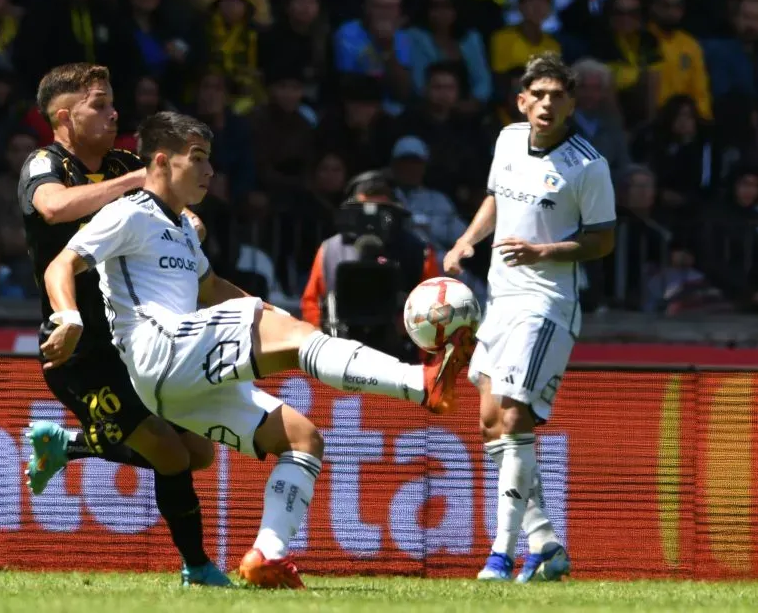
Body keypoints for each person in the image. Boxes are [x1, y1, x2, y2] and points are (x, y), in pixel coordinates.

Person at [40, 111, 475, 589]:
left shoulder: (183, 229)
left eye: (211, 161)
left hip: (176, 385)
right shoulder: (127, 212)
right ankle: (422, 383)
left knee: (303, 439)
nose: (210, 172)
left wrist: (260, 307)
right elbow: (62, 265)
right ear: (161, 162)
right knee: (296, 338)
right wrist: (69, 317)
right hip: (162, 350)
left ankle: (265, 556)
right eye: (198, 159)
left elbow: (209, 286)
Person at [17, 63, 228, 587]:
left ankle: (65, 447)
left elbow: (177, 207)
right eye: (99, 105)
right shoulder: (45, 163)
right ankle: (197, 568)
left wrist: (187, 219)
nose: (114, 114)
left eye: (113, 103)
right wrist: (138, 182)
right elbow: (54, 208)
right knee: (168, 453)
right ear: (65, 117)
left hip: (139, 340)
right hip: (79, 349)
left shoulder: (123, 160)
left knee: (199, 453)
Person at [444, 52, 616, 582]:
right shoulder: (508, 140)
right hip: (500, 300)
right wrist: (467, 240)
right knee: (490, 423)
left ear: (570, 105)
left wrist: (545, 252)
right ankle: (545, 543)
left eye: (557, 96)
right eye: (538, 95)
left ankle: (500, 554)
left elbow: (603, 240)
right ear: (522, 101)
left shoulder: (588, 165)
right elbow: (496, 198)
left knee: (515, 418)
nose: (546, 103)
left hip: (547, 306)